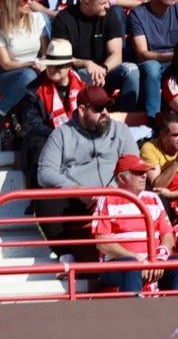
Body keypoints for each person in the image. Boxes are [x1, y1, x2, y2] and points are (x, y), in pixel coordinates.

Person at [34, 88, 137, 256]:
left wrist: (111, 190)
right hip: (81, 199)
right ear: (82, 110)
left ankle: (160, 250)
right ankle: (66, 255)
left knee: (150, 188)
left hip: (118, 193)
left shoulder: (120, 130)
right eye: (98, 109)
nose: (105, 113)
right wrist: (76, 189)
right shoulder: (61, 133)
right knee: (45, 200)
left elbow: (132, 163)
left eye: (107, 107)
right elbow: (45, 172)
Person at [91, 155, 176, 293]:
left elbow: (168, 235)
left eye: (144, 172)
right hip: (118, 265)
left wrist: (159, 257)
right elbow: (102, 242)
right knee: (131, 265)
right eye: (138, 173)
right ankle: (135, 312)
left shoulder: (153, 198)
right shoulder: (107, 198)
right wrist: (137, 259)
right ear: (121, 178)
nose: (144, 176)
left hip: (153, 261)